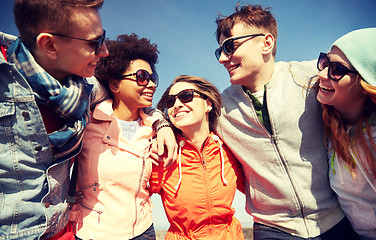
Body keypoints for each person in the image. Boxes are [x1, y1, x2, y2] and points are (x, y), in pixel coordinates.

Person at [214, 3, 359, 239]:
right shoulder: (219, 108)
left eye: (229, 47)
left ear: (266, 43)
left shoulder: (310, 76)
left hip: (335, 221)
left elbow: (362, 78)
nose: (222, 58)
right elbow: (168, 110)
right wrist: (165, 125)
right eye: (218, 50)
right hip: (273, 229)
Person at [0, 0, 108, 239]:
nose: (105, 51)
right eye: (94, 43)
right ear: (49, 44)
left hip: (62, 231)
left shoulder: (88, 87)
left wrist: (159, 122)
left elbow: (124, 98)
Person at [70, 33, 160, 240]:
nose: (152, 84)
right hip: (93, 231)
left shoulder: (155, 128)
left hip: (142, 230)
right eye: (142, 77)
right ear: (114, 85)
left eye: (153, 78)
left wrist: (162, 124)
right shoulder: (88, 120)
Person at [150, 75, 245, 239]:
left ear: (208, 104)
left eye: (186, 96)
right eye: (171, 102)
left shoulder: (229, 147)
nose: (177, 105)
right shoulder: (161, 153)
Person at [316, 28, 376, 239]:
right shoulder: (325, 121)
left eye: (337, 69)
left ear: (365, 81)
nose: (321, 74)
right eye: (324, 62)